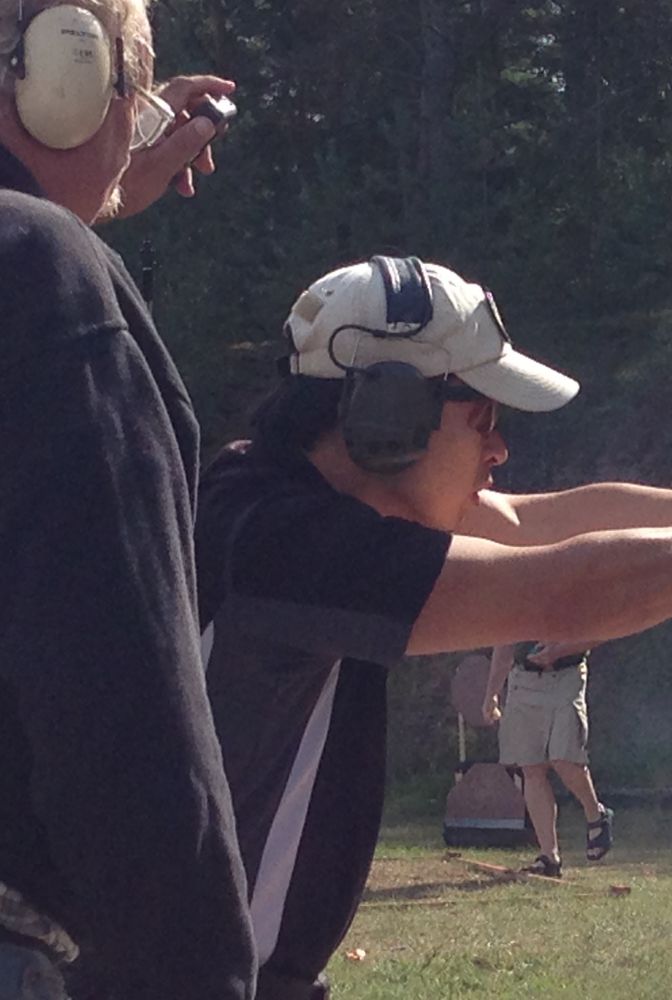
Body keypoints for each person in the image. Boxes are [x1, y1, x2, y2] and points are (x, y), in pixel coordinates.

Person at [196, 254, 672, 998]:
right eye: (482, 418)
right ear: (390, 415)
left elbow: (554, 521)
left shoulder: (273, 497)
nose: (498, 449)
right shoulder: (281, 545)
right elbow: (565, 590)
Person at [0, 2, 256, 998]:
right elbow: (117, 693)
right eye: (130, 98)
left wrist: (79, 191)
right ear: (63, 76)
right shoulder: (41, 281)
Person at [484, 640, 610, 878]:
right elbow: (503, 644)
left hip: (566, 677)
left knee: (565, 759)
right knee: (531, 767)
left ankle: (596, 814)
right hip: (524, 682)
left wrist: (559, 651)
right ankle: (549, 857)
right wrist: (491, 694)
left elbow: (595, 634)